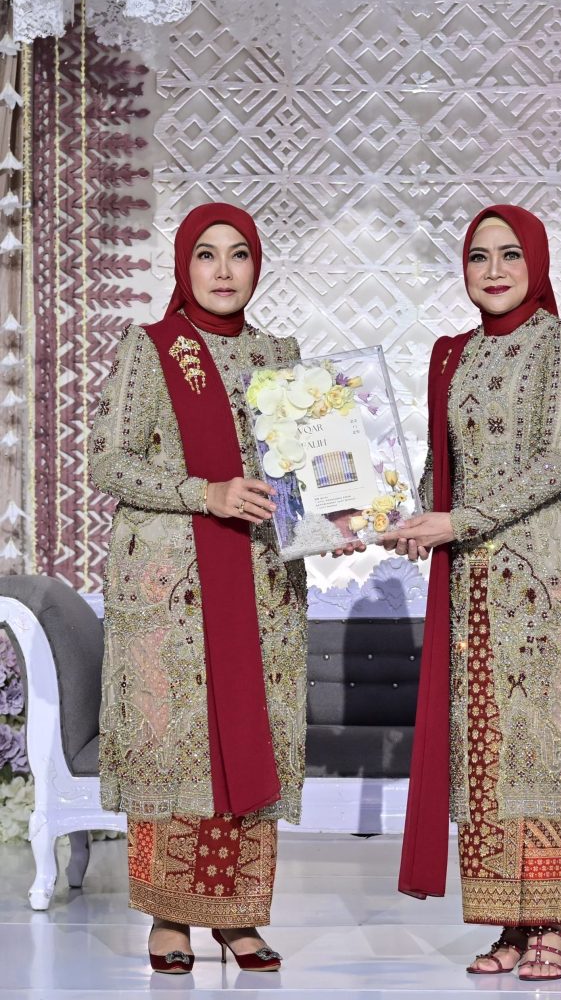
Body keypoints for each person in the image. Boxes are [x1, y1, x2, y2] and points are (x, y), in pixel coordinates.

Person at [383, 204, 561, 981]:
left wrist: (455, 521)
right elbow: (440, 465)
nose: (494, 269)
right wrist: (399, 521)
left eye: (510, 254)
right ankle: (507, 922)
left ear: (535, 262)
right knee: (485, 747)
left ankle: (549, 921)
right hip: (474, 573)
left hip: (550, 574)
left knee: (543, 743)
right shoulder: (454, 354)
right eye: (478, 256)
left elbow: (560, 461)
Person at [90, 203, 308, 974]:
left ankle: (237, 916)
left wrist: (344, 514)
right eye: (206, 254)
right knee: (176, 743)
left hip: (261, 583)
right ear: (184, 267)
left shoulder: (280, 356)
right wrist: (203, 492)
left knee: (251, 737)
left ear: (257, 266)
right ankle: (169, 916)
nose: (222, 269)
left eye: (238, 254)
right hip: (172, 590)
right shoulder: (152, 349)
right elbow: (108, 462)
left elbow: (300, 473)